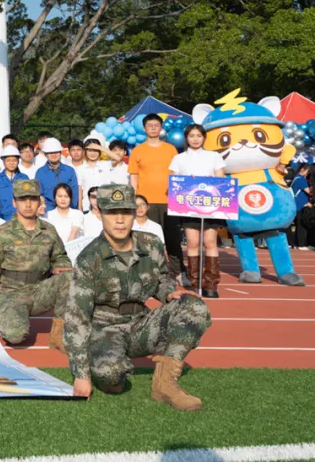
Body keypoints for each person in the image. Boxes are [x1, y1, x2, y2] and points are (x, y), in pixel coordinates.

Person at [64, 183, 212, 411]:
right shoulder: (89, 258)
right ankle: (106, 363)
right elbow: (77, 317)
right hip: (105, 329)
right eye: (112, 213)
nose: (120, 220)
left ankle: (165, 383)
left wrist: (168, 292)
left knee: (193, 306)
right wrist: (81, 375)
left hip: (141, 324)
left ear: (135, 213)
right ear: (100, 214)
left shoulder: (151, 244)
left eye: (126, 212)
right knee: (112, 379)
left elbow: (161, 278)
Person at [0, 179, 71, 348]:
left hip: (40, 290)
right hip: (11, 293)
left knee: (70, 277)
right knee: (16, 336)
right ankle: (4, 316)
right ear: (14, 202)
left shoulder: (49, 230)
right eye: (22, 199)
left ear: (39, 202)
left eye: (33, 199)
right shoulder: (2, 233)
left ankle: (59, 333)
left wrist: (60, 266)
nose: (28, 204)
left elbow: (60, 257)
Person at [168, 123, 227, 296]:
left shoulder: (214, 156)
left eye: (199, 136)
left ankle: (211, 284)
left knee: (210, 242)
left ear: (204, 137)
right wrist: (188, 181)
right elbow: (173, 182)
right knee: (193, 243)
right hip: (189, 205)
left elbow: (222, 179)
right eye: (191, 136)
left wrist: (210, 181)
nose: (195, 139)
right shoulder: (179, 158)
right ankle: (195, 283)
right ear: (186, 138)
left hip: (210, 205)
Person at [128, 114, 181, 279]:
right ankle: (149, 271)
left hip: (169, 201)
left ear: (161, 128)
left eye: (156, 125)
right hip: (146, 202)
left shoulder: (171, 149)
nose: (152, 128)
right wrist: (135, 199)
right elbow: (134, 176)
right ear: (144, 129)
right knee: (146, 239)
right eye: (149, 125)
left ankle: (179, 272)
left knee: (172, 238)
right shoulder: (137, 150)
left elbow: (177, 174)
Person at [35, 137, 80, 213]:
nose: (54, 155)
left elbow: (74, 194)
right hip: (48, 212)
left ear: (60, 153)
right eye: (50, 152)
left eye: (56, 152)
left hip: (68, 211)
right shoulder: (40, 172)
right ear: (45, 154)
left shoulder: (69, 171)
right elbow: (39, 195)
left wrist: (70, 210)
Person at [0, 145, 27, 222]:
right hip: (1, 218)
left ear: (18, 161)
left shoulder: (24, 178)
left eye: (14, 160)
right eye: (8, 160)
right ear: (3, 161)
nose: (11, 163)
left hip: (20, 218)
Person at [79, 139, 111, 211]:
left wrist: (101, 147)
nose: (92, 153)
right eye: (90, 150)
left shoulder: (106, 165)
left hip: (105, 205)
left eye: (95, 150)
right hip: (87, 206)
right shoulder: (80, 169)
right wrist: (79, 208)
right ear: (85, 151)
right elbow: (80, 190)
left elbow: (118, 158)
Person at [290, 164, 313, 249]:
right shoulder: (300, 179)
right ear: (303, 169)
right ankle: (301, 244)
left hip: (297, 204)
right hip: (301, 205)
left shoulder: (296, 177)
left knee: (299, 225)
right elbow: (309, 191)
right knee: (301, 225)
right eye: (308, 171)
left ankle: (298, 243)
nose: (308, 173)